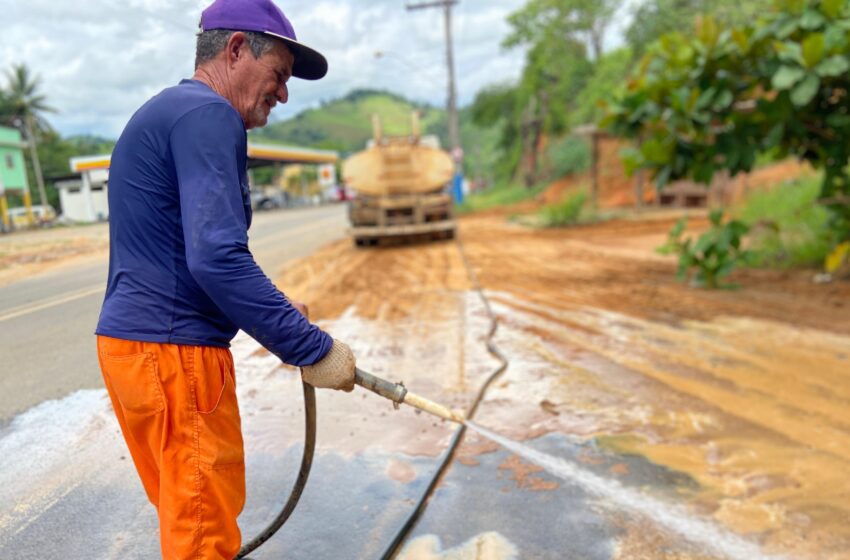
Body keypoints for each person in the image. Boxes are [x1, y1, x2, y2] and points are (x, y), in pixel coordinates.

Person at [94, 1, 355, 557]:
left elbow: (188, 250)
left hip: (135, 351)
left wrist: (280, 308)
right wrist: (311, 348)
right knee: (202, 537)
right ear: (236, 48)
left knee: (187, 519)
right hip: (174, 358)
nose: (283, 94)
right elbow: (215, 258)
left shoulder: (172, 111)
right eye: (279, 75)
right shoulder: (210, 115)